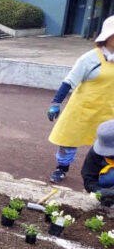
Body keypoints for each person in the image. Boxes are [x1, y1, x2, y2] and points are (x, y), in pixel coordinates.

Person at [46, 14, 114, 184]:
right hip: (82, 108)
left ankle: (103, 174)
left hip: (108, 110)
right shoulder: (90, 58)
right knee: (69, 140)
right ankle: (61, 169)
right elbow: (69, 80)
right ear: (106, 36)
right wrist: (56, 103)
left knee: (108, 145)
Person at [81, 119, 114, 206]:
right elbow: (89, 178)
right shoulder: (96, 153)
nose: (107, 154)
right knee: (109, 177)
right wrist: (99, 191)